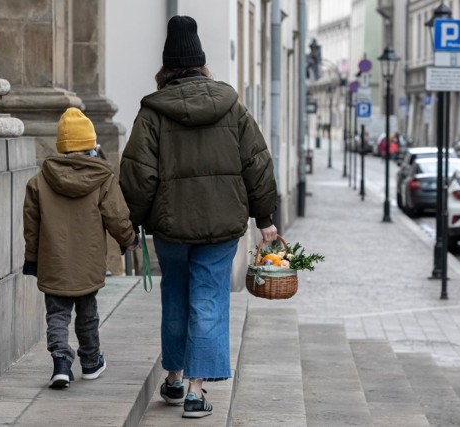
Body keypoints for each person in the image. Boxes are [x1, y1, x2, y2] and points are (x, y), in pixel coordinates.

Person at [119, 15, 278, 419]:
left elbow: (137, 175)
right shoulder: (232, 109)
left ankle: (173, 378)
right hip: (223, 227)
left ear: (166, 66)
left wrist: (132, 226)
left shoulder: (152, 113)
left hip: (172, 227)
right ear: (203, 62)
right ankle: (195, 391)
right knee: (208, 298)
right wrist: (265, 219)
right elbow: (257, 165)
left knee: (175, 297)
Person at [23, 107, 138, 389]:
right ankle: (90, 361)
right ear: (91, 144)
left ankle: (61, 363)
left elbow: (31, 227)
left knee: (57, 314)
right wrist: (129, 240)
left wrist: (33, 259)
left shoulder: (39, 181)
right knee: (88, 313)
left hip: (54, 260)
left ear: (61, 146)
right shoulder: (103, 179)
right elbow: (117, 216)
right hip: (87, 262)